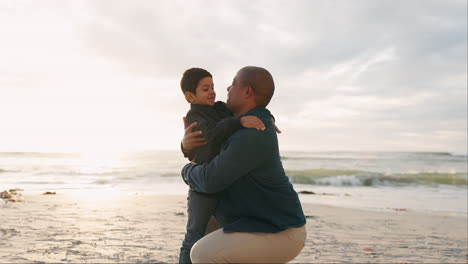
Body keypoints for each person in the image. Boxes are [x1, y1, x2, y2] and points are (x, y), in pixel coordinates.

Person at [181, 66, 307, 263]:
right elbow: (211, 136)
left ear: (247, 91)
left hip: (280, 231)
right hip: (258, 222)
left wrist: (186, 170)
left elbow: (210, 180)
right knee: (204, 228)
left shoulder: (252, 132)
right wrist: (185, 145)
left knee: (201, 253)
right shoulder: (242, 121)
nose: (228, 89)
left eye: (233, 84)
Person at [178, 68, 267, 264]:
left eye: (212, 87)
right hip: (203, 186)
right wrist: (239, 122)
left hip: (225, 182)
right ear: (190, 96)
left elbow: (248, 110)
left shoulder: (219, 109)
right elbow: (211, 135)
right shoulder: (195, 117)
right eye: (205, 89)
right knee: (194, 235)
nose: (212, 92)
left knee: (224, 237)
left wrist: (266, 118)